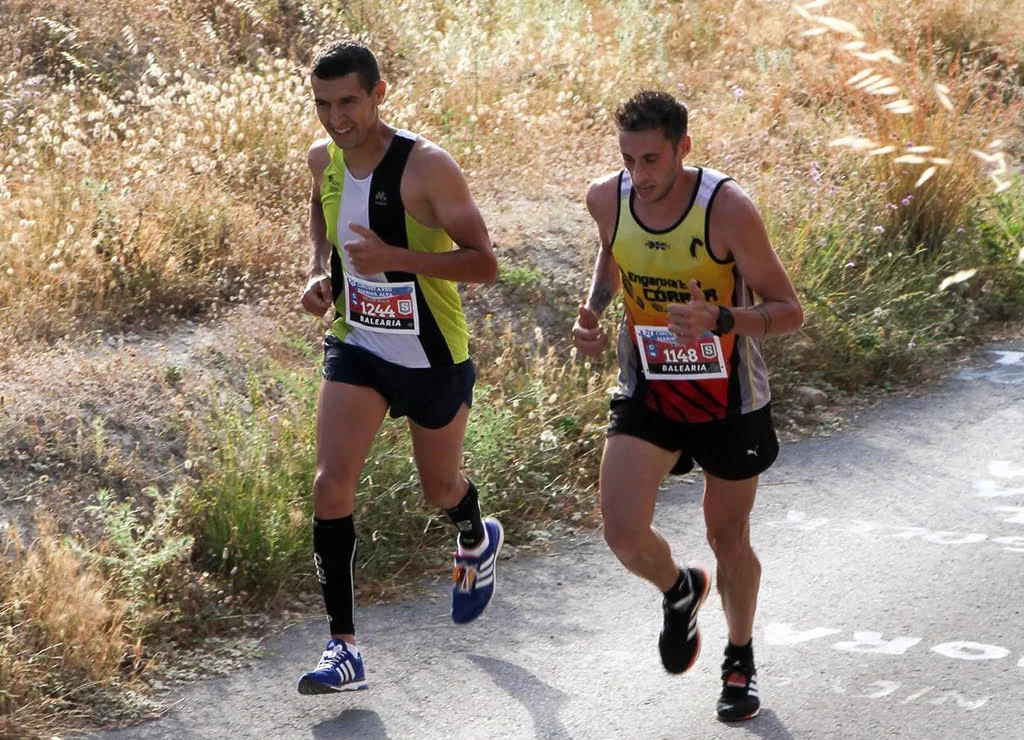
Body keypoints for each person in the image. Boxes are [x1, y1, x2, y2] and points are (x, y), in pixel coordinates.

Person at [571, 90, 803, 722]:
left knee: (727, 535)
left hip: (730, 397)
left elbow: (789, 311)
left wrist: (721, 318)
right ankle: (679, 588)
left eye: (651, 160)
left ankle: (739, 659)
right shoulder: (607, 197)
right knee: (621, 530)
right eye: (628, 160)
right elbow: (613, 254)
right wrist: (593, 308)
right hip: (650, 386)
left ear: (683, 149)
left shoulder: (727, 210)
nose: (639, 176)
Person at [296, 40, 502, 694]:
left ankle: (473, 533)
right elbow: (321, 215)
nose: (336, 118)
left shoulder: (428, 168)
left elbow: (484, 263)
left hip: (432, 353)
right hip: (358, 343)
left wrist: (398, 257)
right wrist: (318, 272)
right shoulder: (321, 160)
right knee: (331, 486)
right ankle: (344, 648)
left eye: (348, 101)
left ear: (379, 93)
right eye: (323, 104)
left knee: (439, 488)